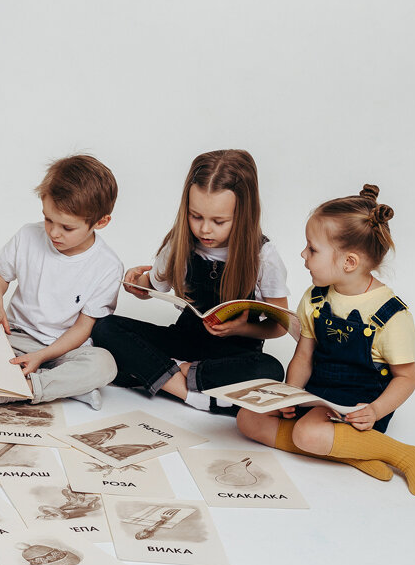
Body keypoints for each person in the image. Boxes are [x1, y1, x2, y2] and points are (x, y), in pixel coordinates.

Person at [237, 185, 415, 497]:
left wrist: (375, 410)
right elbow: (303, 356)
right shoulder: (315, 298)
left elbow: (406, 378)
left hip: (360, 407)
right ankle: (353, 453)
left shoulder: (391, 315)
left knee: (307, 434)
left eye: (312, 249)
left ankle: (403, 454)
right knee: (247, 419)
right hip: (318, 394)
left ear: (349, 262)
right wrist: (289, 395)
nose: (303, 255)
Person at [91, 149, 288, 412]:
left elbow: (280, 327)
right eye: (196, 216)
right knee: (105, 328)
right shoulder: (181, 243)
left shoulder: (263, 256)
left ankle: (162, 374)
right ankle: (194, 393)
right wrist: (137, 283)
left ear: (244, 214)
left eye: (219, 221)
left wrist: (240, 329)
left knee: (272, 369)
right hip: (185, 341)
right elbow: (153, 286)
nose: (204, 229)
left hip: (231, 355)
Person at [0, 154, 122, 414]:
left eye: (67, 228)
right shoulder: (29, 235)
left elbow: (83, 327)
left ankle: (18, 389)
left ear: (100, 222)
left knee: (104, 364)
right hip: (15, 336)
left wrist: (42, 356)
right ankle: (66, 386)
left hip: (64, 349)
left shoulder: (107, 266)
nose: (53, 232)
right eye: (48, 219)